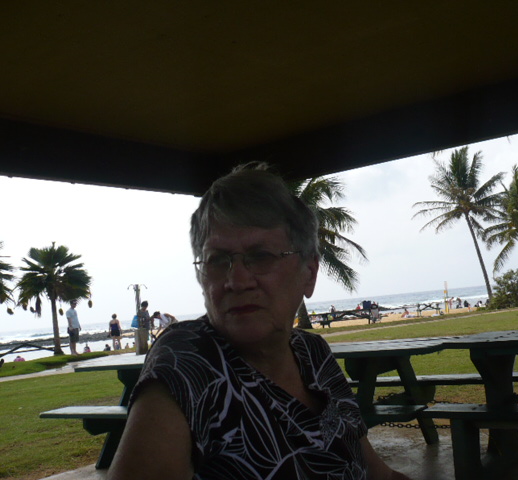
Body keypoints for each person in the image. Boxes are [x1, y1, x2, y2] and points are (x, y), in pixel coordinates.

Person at [107, 164, 411, 480]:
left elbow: (377, 472)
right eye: (218, 260)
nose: (237, 281)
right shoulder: (187, 359)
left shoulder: (314, 354)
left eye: (261, 256)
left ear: (309, 274)